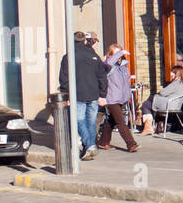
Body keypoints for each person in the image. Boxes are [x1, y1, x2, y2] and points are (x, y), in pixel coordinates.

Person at [57, 30, 107, 161]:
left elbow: (64, 78)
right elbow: (102, 75)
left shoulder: (69, 56)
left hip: (77, 95)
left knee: (79, 121)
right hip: (93, 94)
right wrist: (102, 94)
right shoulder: (93, 55)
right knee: (90, 123)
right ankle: (89, 149)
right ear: (84, 41)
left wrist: (66, 94)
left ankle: (90, 146)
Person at [97, 45, 140, 152]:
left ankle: (103, 142)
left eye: (120, 53)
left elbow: (126, 83)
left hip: (121, 98)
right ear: (111, 54)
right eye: (116, 53)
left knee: (112, 120)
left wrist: (128, 96)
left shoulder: (123, 66)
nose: (119, 56)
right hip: (111, 98)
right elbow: (109, 63)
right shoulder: (108, 65)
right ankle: (131, 144)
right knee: (121, 122)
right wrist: (120, 53)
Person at [140, 62, 183, 135]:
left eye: (172, 72)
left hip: (170, 104)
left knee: (146, 104)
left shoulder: (177, 82)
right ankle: (149, 126)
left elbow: (163, 92)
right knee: (149, 101)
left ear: (177, 73)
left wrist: (160, 90)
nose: (171, 74)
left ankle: (148, 127)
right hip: (177, 105)